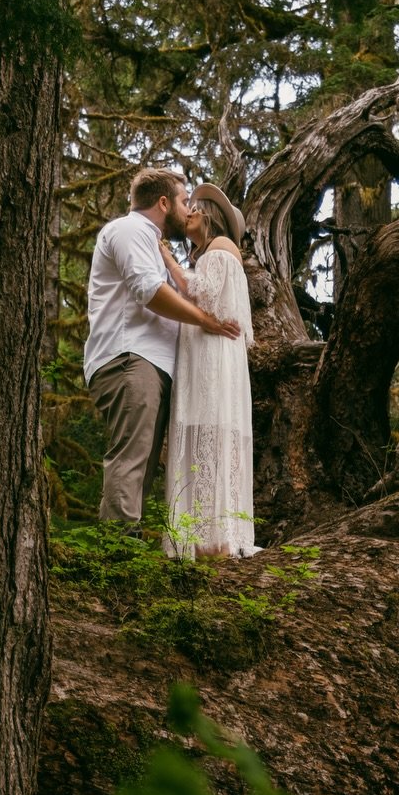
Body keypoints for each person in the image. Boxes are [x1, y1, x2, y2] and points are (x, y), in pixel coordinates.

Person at [84, 168, 241, 529]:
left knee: (143, 464)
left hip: (149, 363)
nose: (188, 210)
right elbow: (147, 290)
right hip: (129, 358)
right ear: (164, 202)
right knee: (132, 458)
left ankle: (126, 552)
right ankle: (119, 554)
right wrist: (205, 320)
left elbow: (179, 287)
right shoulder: (130, 230)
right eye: (184, 201)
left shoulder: (151, 241)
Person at [162, 183, 256, 559]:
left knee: (210, 431)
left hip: (213, 356)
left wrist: (167, 257)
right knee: (209, 433)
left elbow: (202, 293)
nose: (190, 213)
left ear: (212, 218)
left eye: (196, 209)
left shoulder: (221, 248)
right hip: (209, 353)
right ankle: (204, 537)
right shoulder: (209, 253)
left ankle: (213, 539)